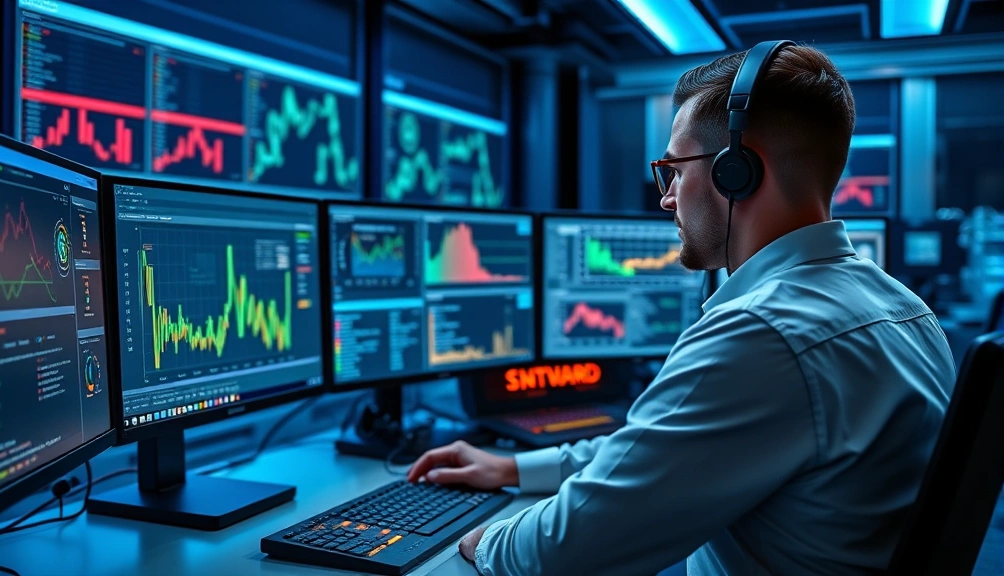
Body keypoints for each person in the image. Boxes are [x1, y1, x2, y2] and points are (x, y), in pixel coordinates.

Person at [407, 42, 957, 575]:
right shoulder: (907, 310)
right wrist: (512, 467)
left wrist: (484, 541)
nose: (666, 197)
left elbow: (562, 554)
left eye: (675, 170)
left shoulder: (763, 332)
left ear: (737, 170)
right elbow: (656, 452)